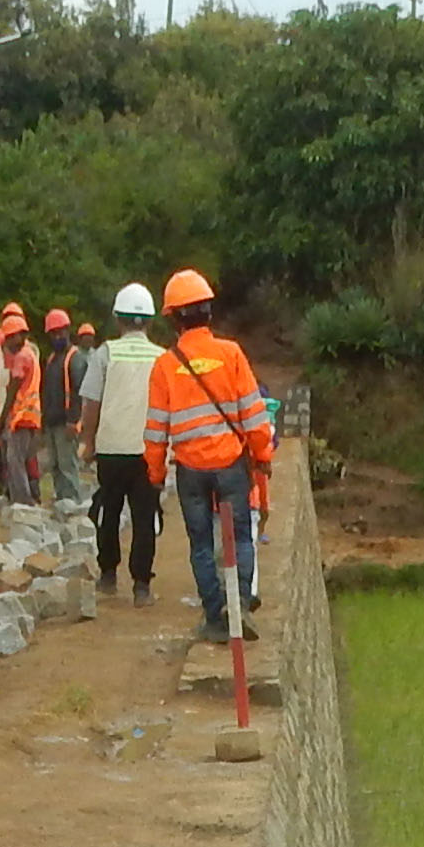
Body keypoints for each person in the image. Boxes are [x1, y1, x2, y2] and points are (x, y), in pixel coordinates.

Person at [146, 266, 277, 640]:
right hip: (231, 464)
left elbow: (155, 431)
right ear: (208, 312)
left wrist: (155, 474)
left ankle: (214, 617)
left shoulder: (165, 366)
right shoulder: (231, 354)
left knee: (201, 542)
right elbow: (254, 413)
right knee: (239, 537)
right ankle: (238, 605)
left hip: (190, 470)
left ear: (173, 318)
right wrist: (262, 454)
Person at [79, 281, 165, 597]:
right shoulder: (162, 357)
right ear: (151, 321)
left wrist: (88, 442)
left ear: (118, 319)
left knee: (109, 511)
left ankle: (108, 575)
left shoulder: (105, 353)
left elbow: (91, 402)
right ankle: (141, 584)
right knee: (145, 517)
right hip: (148, 451)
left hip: (111, 450)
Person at [0, 303, 45, 509]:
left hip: (20, 416)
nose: (8, 341)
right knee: (16, 458)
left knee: (15, 459)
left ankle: (23, 501)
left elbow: (12, 389)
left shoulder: (22, 357)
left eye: (11, 337)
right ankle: (20, 497)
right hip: (26, 415)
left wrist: (1, 419)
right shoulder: (28, 354)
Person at [37, 309, 84, 510]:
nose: (57, 336)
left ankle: (72, 502)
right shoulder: (51, 359)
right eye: (53, 333)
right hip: (52, 422)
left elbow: (79, 393)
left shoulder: (75, 358)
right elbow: (46, 391)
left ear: (67, 331)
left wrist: (74, 421)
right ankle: (61, 501)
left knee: (68, 465)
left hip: (67, 423)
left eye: (60, 332)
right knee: (55, 465)